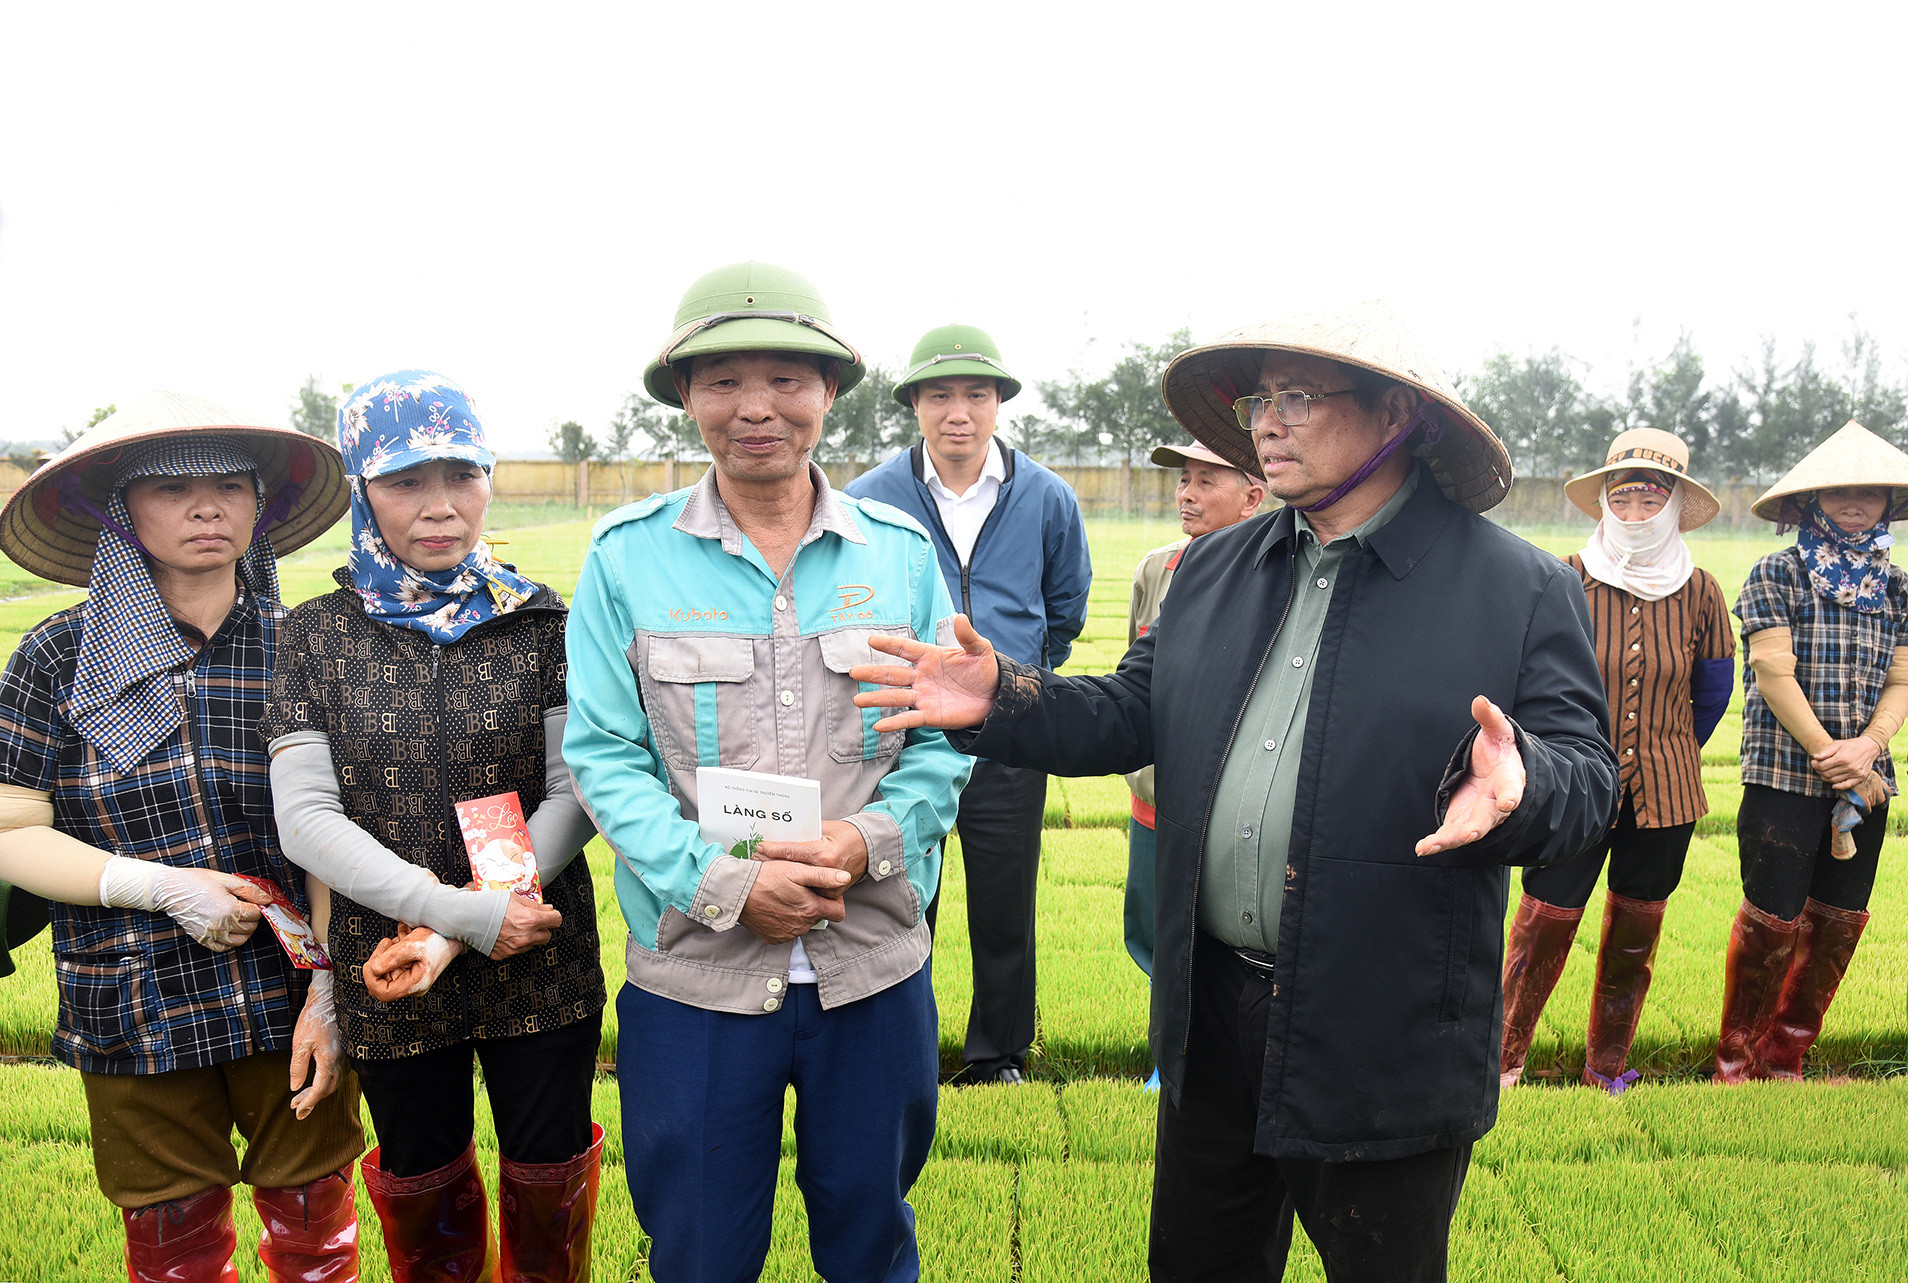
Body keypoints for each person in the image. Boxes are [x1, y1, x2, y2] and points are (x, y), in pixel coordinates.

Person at [852, 300, 1618, 1283]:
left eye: (1299, 396)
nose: (1266, 423)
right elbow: (1132, 710)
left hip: (1381, 1027)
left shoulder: (1518, 587)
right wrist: (1006, 696)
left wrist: (1525, 783)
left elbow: (1588, 781)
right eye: (1260, 400)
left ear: (1397, 415)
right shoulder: (1214, 568)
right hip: (1211, 1013)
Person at [564, 263, 973, 1282]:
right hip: (694, 978)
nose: (757, 408)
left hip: (872, 967)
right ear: (686, 395)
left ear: (829, 391)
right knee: (700, 1252)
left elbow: (940, 740)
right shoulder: (626, 558)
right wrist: (726, 881)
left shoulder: (900, 555)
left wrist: (863, 841)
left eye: (787, 378)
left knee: (872, 1240)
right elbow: (605, 756)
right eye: (723, 381)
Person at [0, 393, 364, 1282]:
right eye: (172, 488)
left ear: (258, 505)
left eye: (229, 485)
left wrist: (331, 985)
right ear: (121, 510)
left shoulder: (303, 644)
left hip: (289, 993)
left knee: (315, 1220)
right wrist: (160, 884)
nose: (207, 507)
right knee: (172, 1238)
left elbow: (336, 829)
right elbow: (11, 826)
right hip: (131, 991)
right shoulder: (56, 658)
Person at [263, 371, 607, 1279]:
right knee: (425, 1195)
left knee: (550, 1189)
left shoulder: (542, 620)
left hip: (538, 950)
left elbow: (575, 792)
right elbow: (307, 819)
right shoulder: (316, 635)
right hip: (392, 964)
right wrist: (454, 915)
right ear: (362, 490)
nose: (441, 504)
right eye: (406, 480)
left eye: (463, 474)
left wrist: (476, 920)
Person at [846, 323, 1091, 1085]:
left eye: (976, 394)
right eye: (940, 395)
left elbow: (1065, 610)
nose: (959, 411)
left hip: (1008, 731)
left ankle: (998, 1054)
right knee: (896, 894)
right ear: (915, 404)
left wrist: (1010, 689)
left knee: (1005, 900)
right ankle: (896, 1043)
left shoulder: (1048, 497)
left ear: (998, 402)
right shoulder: (868, 498)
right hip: (904, 729)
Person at [1497, 429, 1735, 1094]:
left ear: (1673, 506)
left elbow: (1713, 692)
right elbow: (1528, 680)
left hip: (1666, 795)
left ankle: (1606, 1068)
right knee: (1543, 922)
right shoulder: (1564, 578)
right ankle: (1502, 1062)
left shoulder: (1701, 591)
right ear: (1604, 502)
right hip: (1571, 789)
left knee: (1636, 932)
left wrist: (1666, 749)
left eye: (1650, 499)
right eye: (1622, 497)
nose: (1635, 511)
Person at [1715, 419, 1908, 1083]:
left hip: (1867, 780)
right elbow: (1773, 672)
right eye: (1840, 491)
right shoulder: (1778, 572)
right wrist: (1833, 753)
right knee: (1772, 919)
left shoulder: (1897, 586)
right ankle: (1736, 1063)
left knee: (1838, 920)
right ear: (1814, 500)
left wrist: (1869, 747)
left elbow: (1902, 679)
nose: (1855, 503)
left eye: (1869, 492)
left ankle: (1783, 1058)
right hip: (1784, 776)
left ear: (1888, 504)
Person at [1123, 441, 1265, 989]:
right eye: (1185, 479)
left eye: (1207, 481)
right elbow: (1132, 684)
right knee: (1152, 932)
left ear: (1252, 497)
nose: (1187, 493)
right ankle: (1167, 1040)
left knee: (1228, 942)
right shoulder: (1155, 570)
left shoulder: (1280, 575)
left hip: (1235, 806)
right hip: (1155, 798)